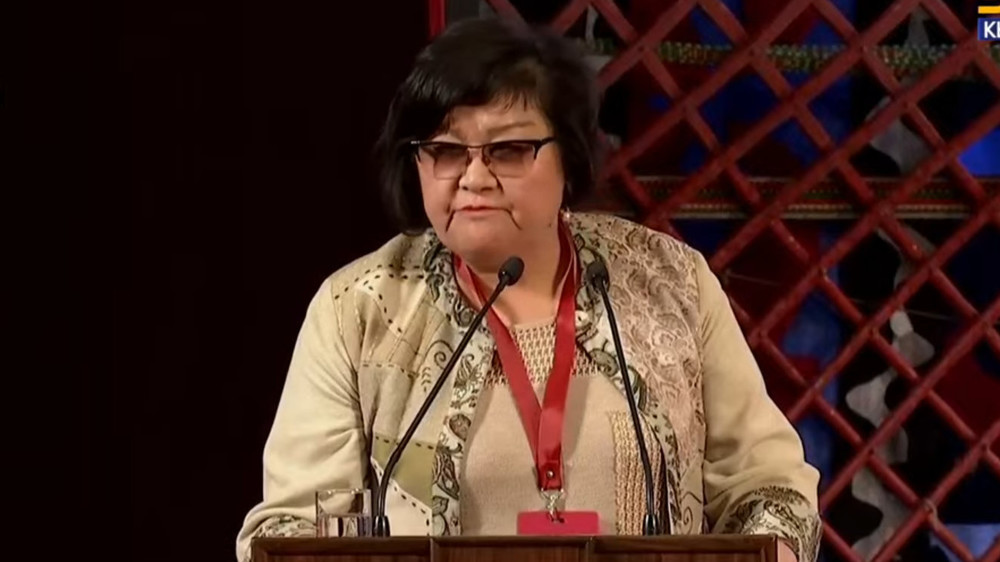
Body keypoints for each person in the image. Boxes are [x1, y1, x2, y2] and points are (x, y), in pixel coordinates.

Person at [237, 17, 821, 562]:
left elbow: (770, 487)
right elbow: (292, 526)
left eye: (509, 150)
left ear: (569, 158)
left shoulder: (671, 280)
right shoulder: (357, 308)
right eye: (444, 151)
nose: (473, 177)